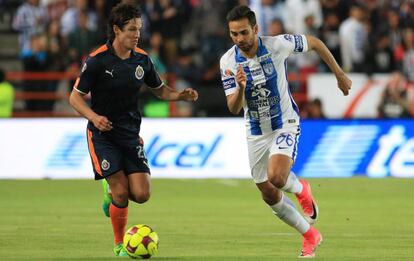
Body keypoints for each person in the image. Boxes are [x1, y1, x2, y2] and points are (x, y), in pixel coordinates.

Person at [220, 6, 351, 258]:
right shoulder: (227, 62)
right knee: (268, 193)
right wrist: (239, 88)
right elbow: (233, 107)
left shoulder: (278, 45)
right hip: (255, 131)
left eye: (244, 32)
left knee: (277, 178)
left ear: (256, 29)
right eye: (234, 34)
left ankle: (300, 188)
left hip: (284, 122)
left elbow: (315, 43)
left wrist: (339, 73)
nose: (239, 39)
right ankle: (310, 235)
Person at [68, 3, 198, 257]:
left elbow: (159, 89)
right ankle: (119, 245)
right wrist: (94, 117)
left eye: (139, 28)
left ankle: (109, 192)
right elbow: (75, 97)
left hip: (129, 134)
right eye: (131, 29)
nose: (137, 34)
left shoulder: (142, 59)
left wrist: (180, 96)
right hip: (102, 135)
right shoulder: (96, 61)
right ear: (116, 30)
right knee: (121, 192)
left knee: (141, 194)